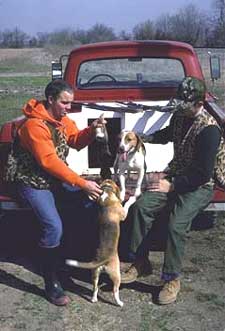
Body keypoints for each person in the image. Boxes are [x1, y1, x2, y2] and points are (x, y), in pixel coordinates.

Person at [121, 76, 225, 305]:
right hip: (177, 174)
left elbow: (203, 175)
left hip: (199, 185)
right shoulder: (180, 116)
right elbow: (169, 134)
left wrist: (172, 185)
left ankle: (171, 278)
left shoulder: (209, 131)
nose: (182, 110)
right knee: (140, 207)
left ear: (200, 103)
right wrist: (143, 138)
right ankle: (140, 262)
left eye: (187, 106)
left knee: (176, 224)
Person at [10, 79, 105, 306]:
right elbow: (49, 162)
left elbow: (75, 140)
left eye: (71, 103)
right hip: (32, 182)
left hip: (54, 180)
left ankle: (73, 260)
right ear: (51, 100)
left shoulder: (60, 119)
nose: (68, 108)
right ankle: (51, 280)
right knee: (53, 226)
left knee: (89, 205)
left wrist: (92, 130)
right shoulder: (35, 125)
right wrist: (82, 183)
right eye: (64, 103)